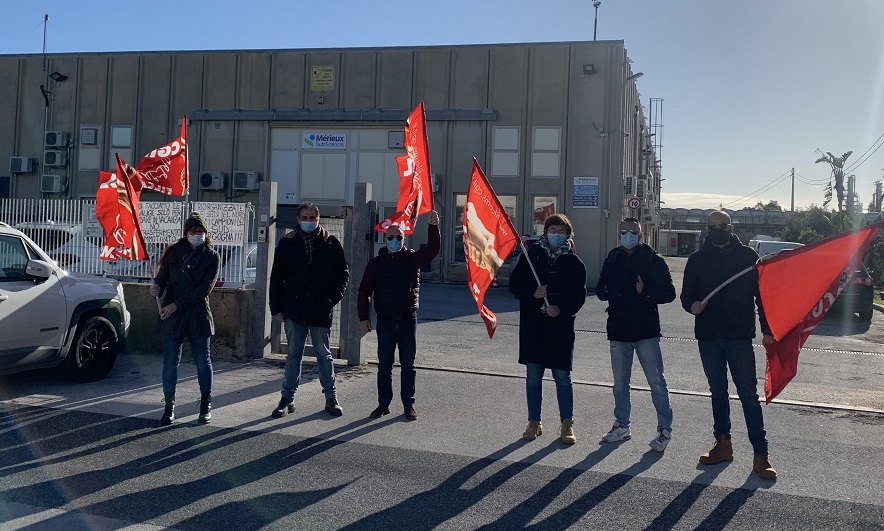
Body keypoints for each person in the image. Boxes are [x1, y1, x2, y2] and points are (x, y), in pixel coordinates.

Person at [680, 210, 777, 479]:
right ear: (706, 230)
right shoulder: (697, 259)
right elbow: (686, 295)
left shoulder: (748, 258)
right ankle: (722, 445)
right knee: (718, 393)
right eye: (711, 226)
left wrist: (767, 330)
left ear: (731, 228)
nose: (717, 230)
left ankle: (761, 454)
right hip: (708, 336)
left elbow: (763, 298)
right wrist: (691, 305)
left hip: (739, 337)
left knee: (748, 395)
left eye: (721, 225)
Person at [596, 217, 675, 451]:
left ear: (640, 235)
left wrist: (645, 291)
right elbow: (600, 289)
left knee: (656, 381)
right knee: (620, 383)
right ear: (618, 234)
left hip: (645, 329)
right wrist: (607, 290)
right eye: (624, 231)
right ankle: (622, 425)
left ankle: (664, 429)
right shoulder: (612, 258)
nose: (628, 235)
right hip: (618, 328)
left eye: (632, 231)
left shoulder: (652, 260)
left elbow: (669, 293)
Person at [509, 214, 586, 444]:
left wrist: (560, 308)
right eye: (552, 230)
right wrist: (532, 293)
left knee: (562, 376)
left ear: (568, 235)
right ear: (545, 232)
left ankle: (567, 423)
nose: (556, 235)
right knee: (533, 375)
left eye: (561, 231)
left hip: (560, 329)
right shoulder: (532, 256)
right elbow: (515, 284)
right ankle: (534, 422)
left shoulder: (574, 262)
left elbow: (579, 296)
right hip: (534, 327)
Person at [357, 211, 440, 420]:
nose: (395, 240)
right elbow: (364, 291)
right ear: (385, 239)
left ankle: (408, 405)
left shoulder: (411, 259)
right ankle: (383, 404)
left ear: (404, 238)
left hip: (407, 321)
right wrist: (363, 317)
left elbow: (432, 250)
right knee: (384, 366)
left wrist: (433, 227)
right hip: (385, 322)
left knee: (408, 366)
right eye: (391, 237)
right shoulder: (376, 264)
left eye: (399, 237)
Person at [269, 203, 349, 418]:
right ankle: (287, 398)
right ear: (298, 219)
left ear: (318, 219)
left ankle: (331, 398)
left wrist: (330, 300)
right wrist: (276, 308)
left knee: (324, 354)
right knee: (294, 355)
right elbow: (276, 277)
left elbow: (343, 275)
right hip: (294, 309)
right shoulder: (287, 242)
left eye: (312, 217)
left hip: (320, 310)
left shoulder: (331, 243)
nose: (309, 221)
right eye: (305, 217)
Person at [150, 212, 221, 426]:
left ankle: (205, 404)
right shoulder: (173, 253)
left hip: (197, 314)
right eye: (193, 231)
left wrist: (176, 304)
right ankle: (169, 406)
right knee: (170, 362)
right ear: (186, 233)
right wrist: (156, 288)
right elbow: (162, 278)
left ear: (205, 233)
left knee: (203, 360)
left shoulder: (212, 256)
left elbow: (204, 289)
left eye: (200, 231)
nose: (197, 234)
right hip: (172, 317)